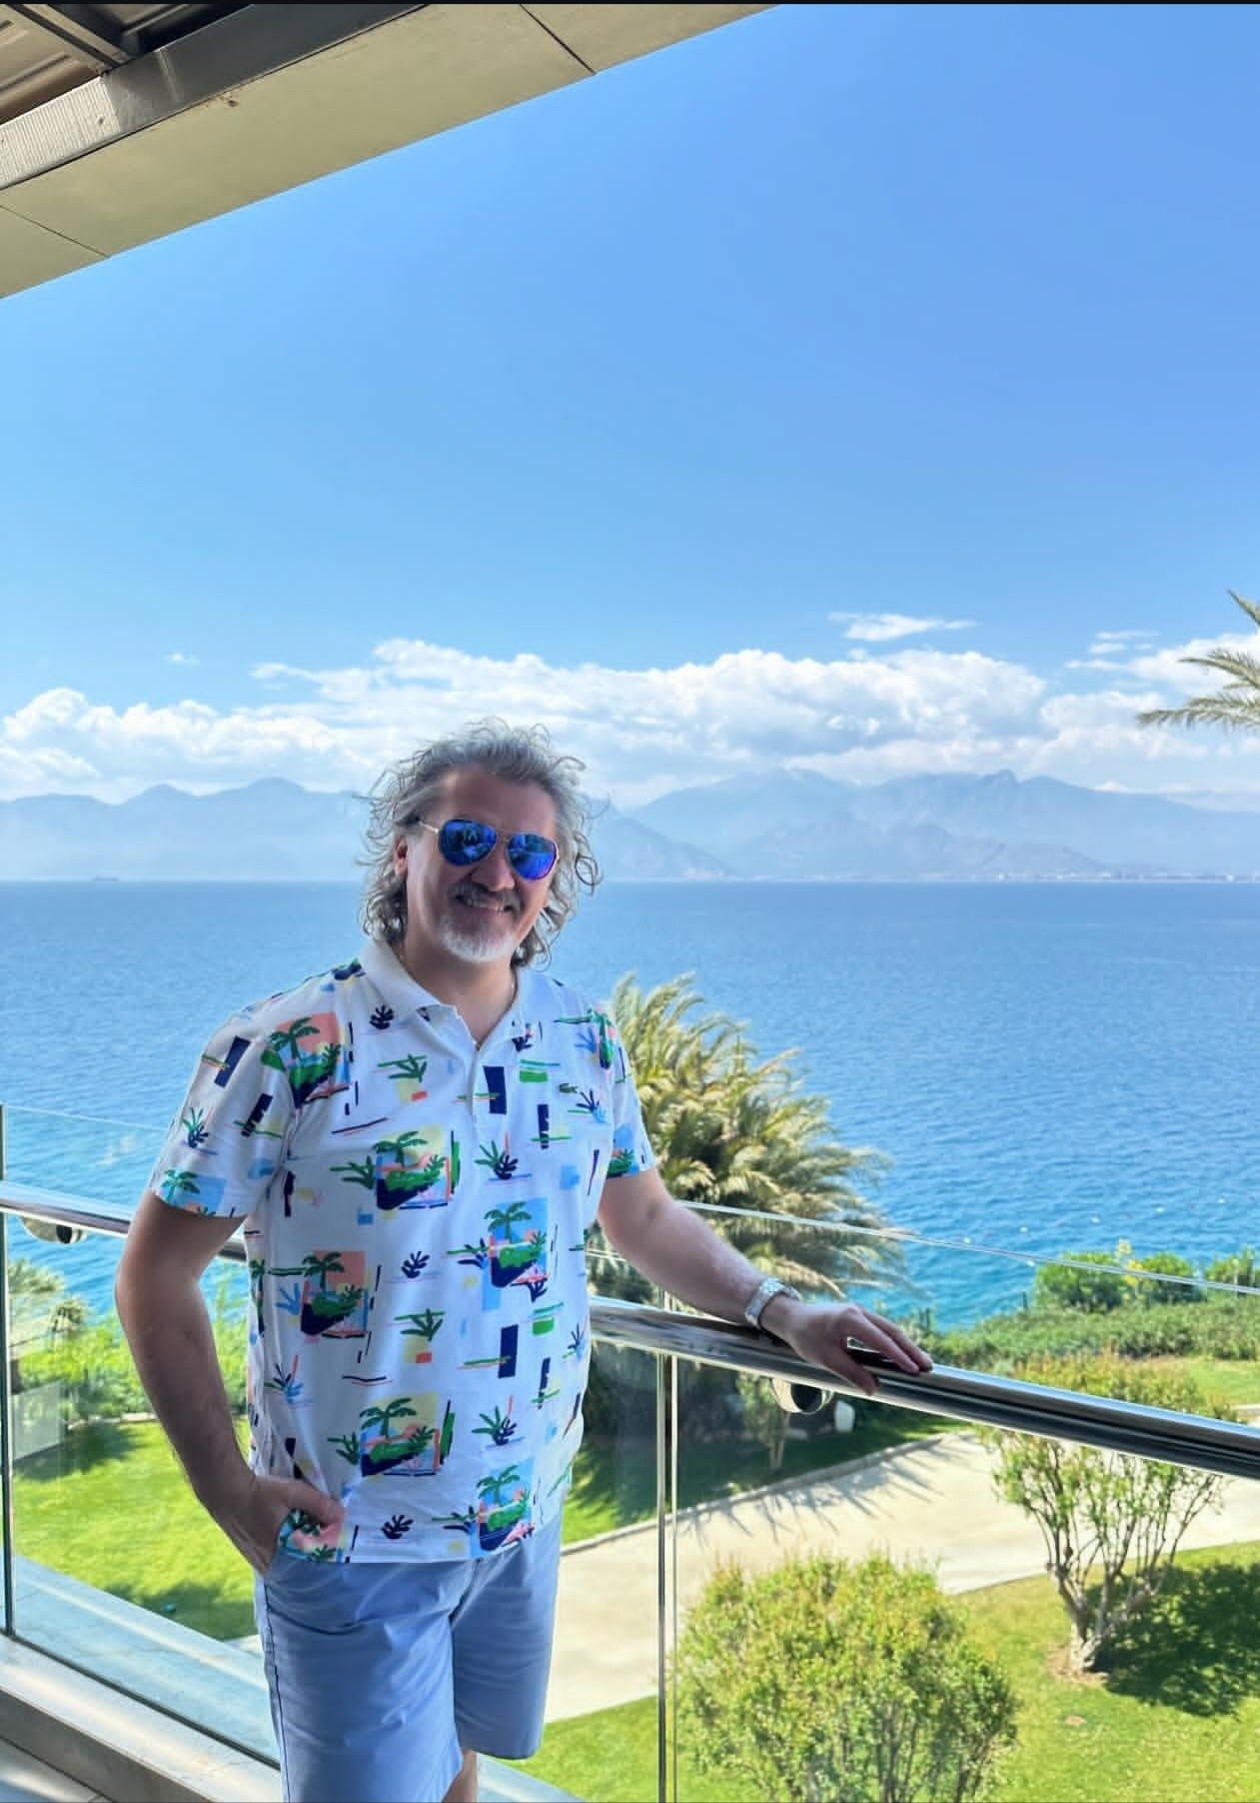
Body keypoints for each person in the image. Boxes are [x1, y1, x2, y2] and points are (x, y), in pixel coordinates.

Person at [115, 719, 932, 1803]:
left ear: (556, 878)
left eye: (529, 851)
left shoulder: (583, 1041)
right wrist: (226, 1488)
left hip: (521, 1509)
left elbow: (643, 1216)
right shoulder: (293, 1041)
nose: (496, 872)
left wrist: (782, 1310)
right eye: (466, 839)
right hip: (351, 1536)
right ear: (402, 851)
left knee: (464, 1768)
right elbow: (153, 1275)